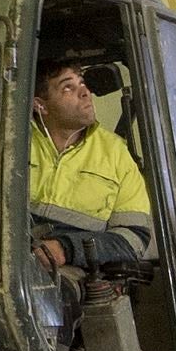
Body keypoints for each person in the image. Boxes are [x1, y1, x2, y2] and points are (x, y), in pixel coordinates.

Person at [30, 53, 153, 230]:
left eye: (82, 83)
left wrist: (69, 248)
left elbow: (134, 234)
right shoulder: (9, 141)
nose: (85, 92)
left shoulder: (116, 153)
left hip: (83, 257)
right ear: (40, 105)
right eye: (68, 88)